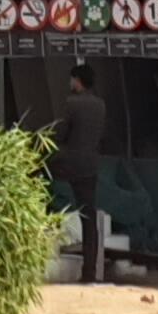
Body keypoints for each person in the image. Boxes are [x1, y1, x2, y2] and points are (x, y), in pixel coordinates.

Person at [52, 67, 112, 284]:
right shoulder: (100, 105)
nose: (70, 83)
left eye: (72, 80)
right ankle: (90, 272)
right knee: (89, 218)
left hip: (68, 165)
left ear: (77, 81)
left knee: (44, 186)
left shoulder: (72, 103)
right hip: (90, 166)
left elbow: (60, 134)